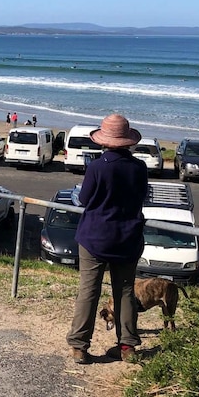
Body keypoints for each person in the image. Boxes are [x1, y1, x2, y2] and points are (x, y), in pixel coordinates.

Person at [66, 114, 147, 365]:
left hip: (95, 237)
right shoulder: (139, 168)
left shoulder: (98, 167)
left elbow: (86, 199)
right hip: (128, 237)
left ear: (103, 141)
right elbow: (142, 196)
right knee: (125, 292)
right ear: (128, 142)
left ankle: (80, 346)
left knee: (88, 291)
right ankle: (127, 346)